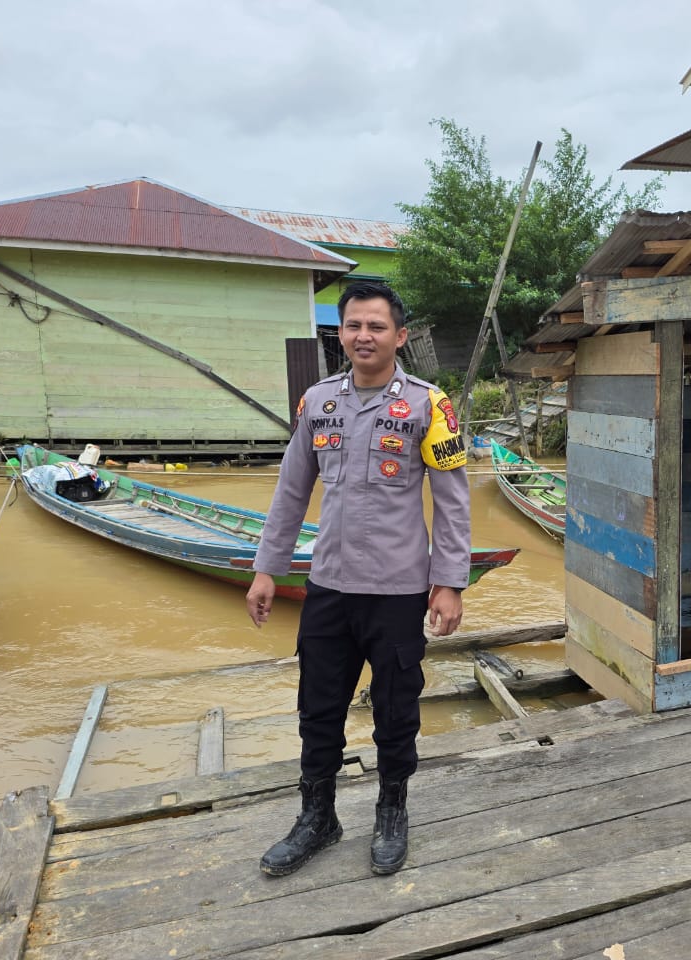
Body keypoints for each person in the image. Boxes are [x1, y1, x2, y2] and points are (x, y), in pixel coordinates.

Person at [246, 280, 471, 877]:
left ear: (399, 336)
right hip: (329, 587)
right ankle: (318, 817)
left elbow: (452, 502)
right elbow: (291, 491)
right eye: (353, 326)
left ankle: (391, 811)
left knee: (397, 712)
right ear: (340, 334)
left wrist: (449, 583)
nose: (363, 336)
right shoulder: (317, 402)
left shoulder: (430, 406)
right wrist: (268, 569)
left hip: (398, 592)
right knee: (318, 708)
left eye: (376, 326)